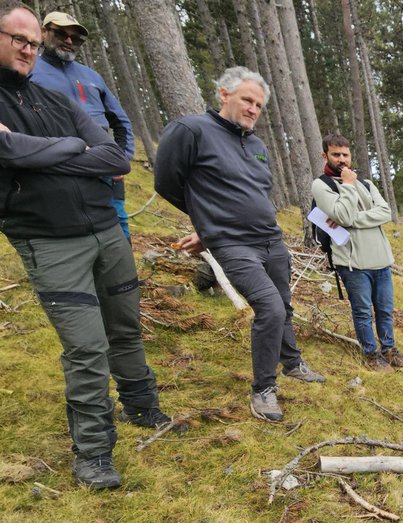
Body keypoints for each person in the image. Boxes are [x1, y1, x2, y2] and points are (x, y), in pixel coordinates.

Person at [0, 1, 179, 489]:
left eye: (32, 42)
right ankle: (94, 453)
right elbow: (7, 149)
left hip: (106, 230)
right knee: (85, 348)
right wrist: (71, 148)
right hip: (49, 241)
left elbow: (114, 158)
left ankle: (142, 407)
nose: (28, 50)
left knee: (125, 327)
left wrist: (39, 157)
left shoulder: (54, 99)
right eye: (18, 39)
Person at [156, 66, 325, 423]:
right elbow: (167, 183)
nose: (253, 109)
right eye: (247, 100)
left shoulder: (257, 145)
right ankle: (263, 389)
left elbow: (258, 191)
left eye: (259, 105)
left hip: (270, 238)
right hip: (233, 244)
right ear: (224, 94)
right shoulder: (191, 130)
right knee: (270, 308)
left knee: (283, 305)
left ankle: (292, 362)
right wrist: (209, 226)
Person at [29, 11, 134, 239]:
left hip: (103, 163)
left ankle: (122, 263)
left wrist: (122, 159)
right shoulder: (29, 71)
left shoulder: (92, 76)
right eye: (61, 34)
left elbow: (121, 121)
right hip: (60, 164)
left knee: (118, 220)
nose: (69, 41)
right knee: (69, 225)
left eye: (76, 38)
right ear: (43, 32)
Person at [310, 133, 399, 371]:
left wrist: (353, 218)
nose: (342, 159)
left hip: (381, 260)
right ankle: (371, 355)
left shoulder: (367, 184)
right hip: (353, 264)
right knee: (362, 313)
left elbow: (385, 212)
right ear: (324, 156)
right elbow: (342, 216)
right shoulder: (322, 185)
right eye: (335, 154)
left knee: (385, 311)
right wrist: (348, 186)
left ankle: (389, 350)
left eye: (345, 155)